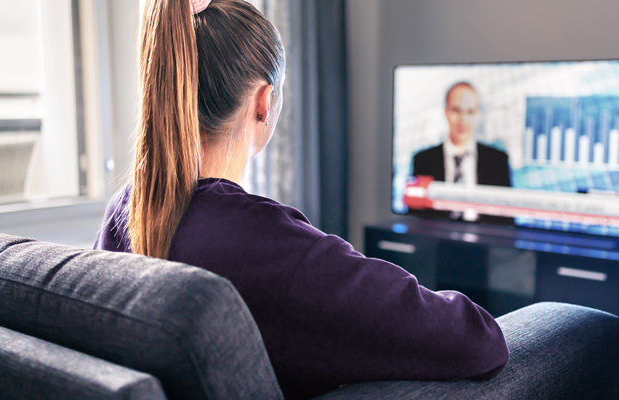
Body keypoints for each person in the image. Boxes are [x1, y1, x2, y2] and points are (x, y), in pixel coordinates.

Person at [93, 1, 507, 399]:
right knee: (563, 324)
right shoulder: (275, 246)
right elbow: (479, 341)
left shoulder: (125, 212)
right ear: (264, 102)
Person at [411, 82, 514, 225]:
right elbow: (415, 216)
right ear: (446, 112)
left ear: (478, 115)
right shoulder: (423, 160)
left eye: (470, 111)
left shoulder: (498, 160)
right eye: (456, 110)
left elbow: (507, 219)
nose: (462, 119)